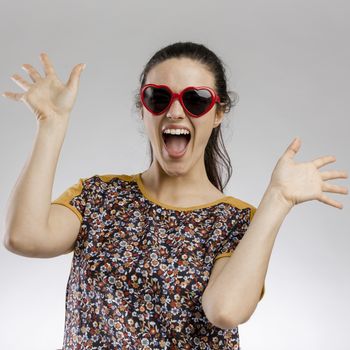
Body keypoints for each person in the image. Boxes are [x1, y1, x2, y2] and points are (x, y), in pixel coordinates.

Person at [2, 42, 348, 349]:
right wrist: (51, 123)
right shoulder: (99, 196)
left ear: (218, 113)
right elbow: (23, 237)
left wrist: (278, 200)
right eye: (159, 97)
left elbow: (226, 310)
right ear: (143, 108)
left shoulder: (236, 221)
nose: (175, 111)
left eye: (196, 100)